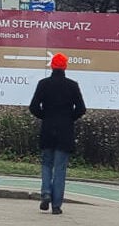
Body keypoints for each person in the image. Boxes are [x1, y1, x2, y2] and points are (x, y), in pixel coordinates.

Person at [29, 53, 86, 215]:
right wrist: (69, 119)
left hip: (47, 129)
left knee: (46, 163)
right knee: (60, 168)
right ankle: (56, 205)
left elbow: (33, 107)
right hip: (65, 131)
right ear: (65, 67)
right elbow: (81, 109)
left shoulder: (43, 84)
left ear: (52, 66)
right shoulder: (72, 86)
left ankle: (46, 192)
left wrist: (45, 116)